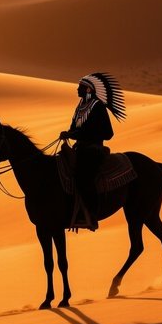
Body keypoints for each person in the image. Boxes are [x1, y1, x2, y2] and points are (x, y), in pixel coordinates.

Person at [60, 73, 126, 230]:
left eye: (80, 87)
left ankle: (91, 215)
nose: (77, 89)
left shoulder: (98, 107)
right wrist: (69, 133)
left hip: (93, 151)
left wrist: (77, 134)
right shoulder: (80, 106)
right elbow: (74, 128)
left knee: (84, 178)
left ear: (89, 89)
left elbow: (108, 133)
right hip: (79, 149)